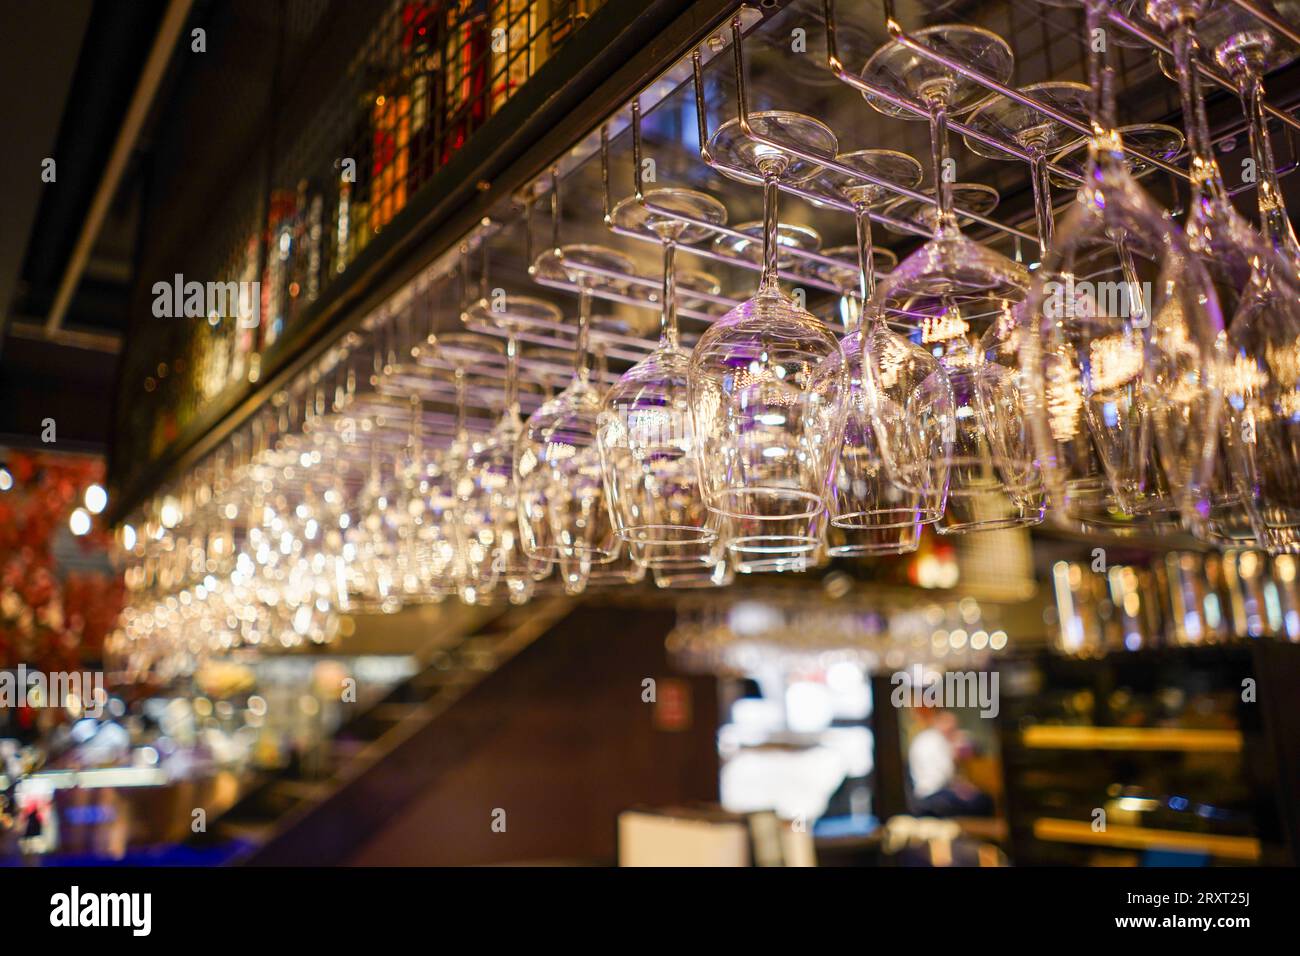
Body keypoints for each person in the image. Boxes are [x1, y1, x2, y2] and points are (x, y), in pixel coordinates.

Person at [907, 708, 992, 817]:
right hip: (936, 797)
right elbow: (944, 776)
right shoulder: (937, 740)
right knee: (983, 800)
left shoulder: (922, 738)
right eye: (952, 728)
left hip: (921, 796)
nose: (954, 732)